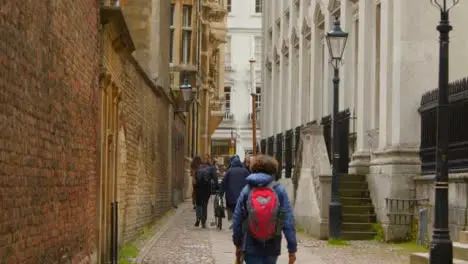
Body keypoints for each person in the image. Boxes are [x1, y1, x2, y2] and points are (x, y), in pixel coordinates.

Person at [232, 154, 297, 264]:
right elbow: (287, 220)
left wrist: (238, 243)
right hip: (272, 245)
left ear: (253, 169)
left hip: (250, 244)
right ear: (273, 170)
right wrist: (292, 249)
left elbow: (237, 219)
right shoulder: (279, 190)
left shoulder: (247, 190)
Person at [220, 156, 250, 229]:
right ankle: (239, 222)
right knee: (242, 208)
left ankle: (234, 222)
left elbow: (223, 183)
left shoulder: (229, 171)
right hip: (242, 195)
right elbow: (249, 182)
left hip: (231, 196)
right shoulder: (245, 171)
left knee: (232, 209)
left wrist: (221, 193)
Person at [194, 155, 219, 228]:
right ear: (209, 161)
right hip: (206, 188)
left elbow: (195, 177)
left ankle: (198, 218)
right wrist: (217, 187)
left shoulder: (199, 167)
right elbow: (215, 178)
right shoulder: (211, 168)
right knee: (205, 204)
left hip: (198, 187)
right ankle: (203, 221)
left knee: (198, 203)